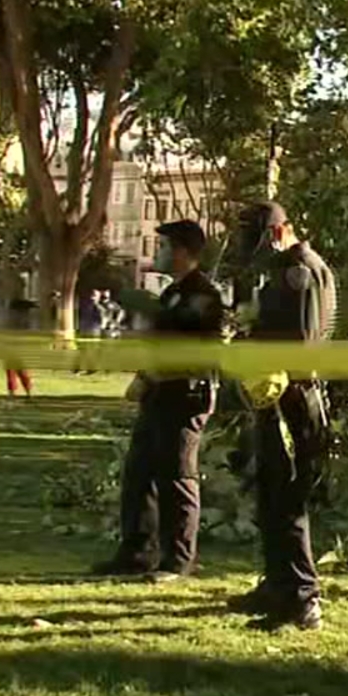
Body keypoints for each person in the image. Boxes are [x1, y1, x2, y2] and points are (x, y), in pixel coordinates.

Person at [92, 221, 225, 582]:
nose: (159, 252)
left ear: (182, 251)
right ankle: (137, 554)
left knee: (177, 476)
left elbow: (192, 350)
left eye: (164, 246)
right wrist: (143, 375)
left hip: (186, 395)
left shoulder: (203, 295)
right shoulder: (172, 293)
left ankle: (177, 561)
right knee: (139, 474)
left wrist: (151, 371)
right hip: (159, 394)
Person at [226, 201, 336, 631]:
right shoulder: (283, 271)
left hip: (295, 398)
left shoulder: (300, 272)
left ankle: (303, 599)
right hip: (277, 396)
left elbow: (302, 342)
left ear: (277, 232)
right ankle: (277, 586)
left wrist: (252, 341)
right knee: (270, 495)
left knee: (288, 500)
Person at [4, 298, 37, 398]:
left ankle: (21, 391)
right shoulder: (18, 320)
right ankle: (22, 391)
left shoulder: (20, 320)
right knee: (16, 370)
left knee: (18, 370)